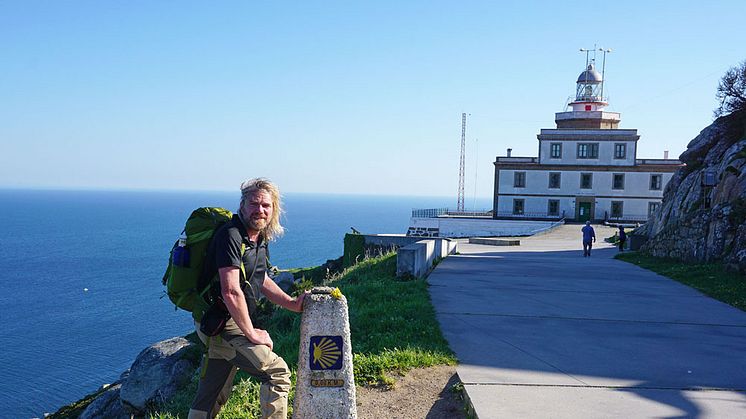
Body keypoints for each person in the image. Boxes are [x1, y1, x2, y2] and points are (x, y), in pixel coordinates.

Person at [188, 178, 306, 419]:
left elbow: (259, 279)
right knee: (277, 373)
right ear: (242, 205)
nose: (260, 210)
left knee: (212, 393)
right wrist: (251, 333)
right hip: (221, 323)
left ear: (274, 209)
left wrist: (291, 303)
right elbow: (230, 290)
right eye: (254, 204)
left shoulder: (258, 239)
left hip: (221, 322)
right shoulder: (230, 236)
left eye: (266, 205)